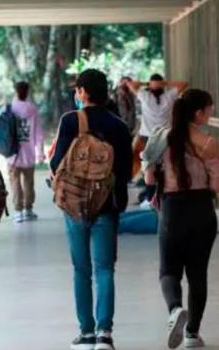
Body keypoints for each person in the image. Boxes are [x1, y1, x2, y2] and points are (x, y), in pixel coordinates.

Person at [50, 69, 133, 350]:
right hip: (106, 207)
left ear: (83, 92)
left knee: (81, 269)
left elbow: (55, 164)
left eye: (77, 89)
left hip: (74, 206)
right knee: (105, 269)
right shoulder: (119, 126)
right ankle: (104, 334)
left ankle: (86, 333)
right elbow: (124, 172)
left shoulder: (71, 121)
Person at [144, 89, 219, 349]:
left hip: (172, 210)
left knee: (169, 269)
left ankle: (175, 308)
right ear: (198, 113)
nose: (211, 112)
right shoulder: (209, 142)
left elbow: (148, 177)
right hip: (202, 210)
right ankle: (192, 333)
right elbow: (218, 184)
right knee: (198, 273)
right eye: (209, 108)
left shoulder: (160, 137)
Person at [127, 74, 188, 202]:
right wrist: (163, 83)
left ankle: (150, 196)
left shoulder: (145, 96)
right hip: (165, 138)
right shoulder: (169, 96)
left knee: (148, 166)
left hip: (147, 138)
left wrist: (148, 83)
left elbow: (130, 84)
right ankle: (161, 192)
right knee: (164, 165)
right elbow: (183, 84)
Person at [6, 81, 45, 223]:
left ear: (16, 92)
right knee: (29, 183)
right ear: (27, 92)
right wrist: (40, 152)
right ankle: (28, 210)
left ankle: (17, 212)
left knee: (15, 183)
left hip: (12, 155)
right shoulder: (32, 109)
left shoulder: (9, 108)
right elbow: (39, 133)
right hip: (28, 155)